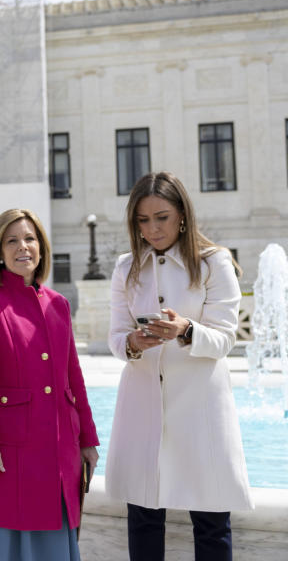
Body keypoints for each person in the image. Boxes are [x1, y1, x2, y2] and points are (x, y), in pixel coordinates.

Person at [106, 171, 251, 561]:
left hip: (201, 408)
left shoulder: (214, 262)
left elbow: (225, 338)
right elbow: (116, 337)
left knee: (211, 521)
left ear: (182, 215)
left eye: (161, 217)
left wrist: (186, 330)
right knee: (144, 516)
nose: (152, 229)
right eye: (142, 220)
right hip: (143, 406)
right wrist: (133, 343)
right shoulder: (126, 268)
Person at [0, 208, 99, 561]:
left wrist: (87, 440)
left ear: (42, 247)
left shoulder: (59, 305)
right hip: (5, 451)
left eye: (30, 239)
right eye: (12, 241)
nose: (23, 247)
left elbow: (74, 378)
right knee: (0, 545)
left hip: (59, 449)